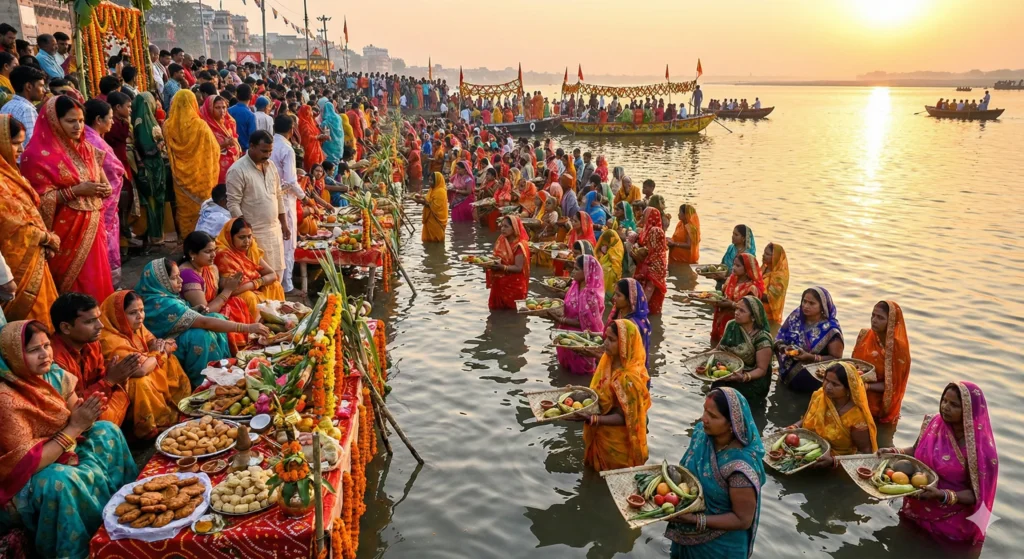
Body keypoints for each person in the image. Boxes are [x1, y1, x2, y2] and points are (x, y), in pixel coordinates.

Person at [0, 320, 139, 559]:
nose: (44, 354)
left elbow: (77, 414)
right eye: (33, 350)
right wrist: (75, 426)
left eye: (46, 345)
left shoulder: (54, 374)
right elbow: (26, 463)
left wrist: (87, 414)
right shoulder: (6, 397)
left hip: (64, 444)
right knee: (61, 480)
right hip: (27, 475)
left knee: (107, 431)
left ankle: (131, 507)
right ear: (13, 356)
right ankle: (82, 549)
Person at [20, 96, 114, 303]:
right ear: (54, 120)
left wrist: (104, 188)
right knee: (75, 290)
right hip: (64, 234)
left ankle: (100, 324)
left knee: (97, 277)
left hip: (93, 227)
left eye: (80, 120)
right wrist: (76, 191)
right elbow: (33, 203)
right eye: (71, 121)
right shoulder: (35, 156)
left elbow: (99, 178)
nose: (78, 126)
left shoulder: (86, 148)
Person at [893, 381, 998, 544]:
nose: (945, 407)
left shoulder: (980, 450)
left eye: (954, 405)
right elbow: (915, 449)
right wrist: (894, 452)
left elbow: (978, 494)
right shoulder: (934, 422)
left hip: (949, 524)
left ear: (970, 411)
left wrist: (943, 495)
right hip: (915, 508)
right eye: (944, 401)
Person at [666, 387, 764, 559]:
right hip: (685, 535)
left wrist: (696, 520)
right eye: (704, 411)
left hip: (720, 548)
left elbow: (743, 520)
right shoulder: (701, 434)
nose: (704, 419)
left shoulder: (740, 467)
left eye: (712, 416)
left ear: (733, 425)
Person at [134, 258, 265, 386]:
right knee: (201, 336)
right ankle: (203, 382)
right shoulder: (164, 302)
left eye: (179, 276)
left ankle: (222, 368)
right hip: (165, 346)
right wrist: (247, 327)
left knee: (217, 317)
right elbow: (204, 323)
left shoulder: (158, 295)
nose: (180, 281)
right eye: (174, 278)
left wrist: (193, 310)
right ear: (161, 282)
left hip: (176, 335)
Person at [96, 290, 192, 438]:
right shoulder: (109, 340)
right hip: (120, 385)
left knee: (169, 359)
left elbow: (152, 341)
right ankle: (149, 427)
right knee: (141, 382)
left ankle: (179, 407)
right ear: (118, 315)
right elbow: (140, 370)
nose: (140, 316)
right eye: (133, 312)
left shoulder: (135, 327)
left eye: (141, 310)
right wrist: (158, 353)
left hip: (144, 365)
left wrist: (159, 347)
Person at [48, 292, 141, 431]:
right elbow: (72, 408)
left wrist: (112, 377)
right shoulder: (53, 361)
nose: (100, 325)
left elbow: (100, 377)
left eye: (98, 318)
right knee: (104, 422)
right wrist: (109, 380)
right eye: (89, 321)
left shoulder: (92, 343)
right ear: (66, 327)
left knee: (129, 389)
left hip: (93, 399)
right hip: (71, 417)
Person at [0, 115, 59, 329]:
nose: (21, 149)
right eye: (15, 143)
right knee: (29, 323)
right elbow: (11, 224)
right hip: (16, 261)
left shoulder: (10, 172)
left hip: (34, 254)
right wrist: (46, 237)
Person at [582, 319, 651, 472]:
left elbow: (626, 416)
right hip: (600, 435)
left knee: (610, 480)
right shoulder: (608, 362)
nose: (605, 343)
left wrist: (593, 419)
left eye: (612, 340)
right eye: (606, 337)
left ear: (625, 345)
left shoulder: (628, 379)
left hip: (616, 446)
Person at [226, 131, 289, 287]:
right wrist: (246, 232)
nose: (267, 155)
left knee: (277, 276)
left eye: (270, 151)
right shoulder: (237, 170)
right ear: (252, 147)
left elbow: (278, 196)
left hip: (274, 232)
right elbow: (233, 204)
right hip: (254, 236)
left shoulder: (271, 166)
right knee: (260, 279)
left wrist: (285, 224)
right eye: (264, 151)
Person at [180, 231, 253, 350]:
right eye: (208, 251)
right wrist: (228, 290)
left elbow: (217, 293)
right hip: (196, 320)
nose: (214, 255)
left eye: (214, 250)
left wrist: (230, 283)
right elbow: (204, 312)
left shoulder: (211, 268)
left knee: (237, 302)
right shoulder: (188, 275)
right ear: (192, 253)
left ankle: (243, 348)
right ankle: (234, 350)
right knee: (227, 311)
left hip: (212, 310)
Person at [791, 362, 878, 462]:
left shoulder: (856, 416)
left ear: (848, 389)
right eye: (826, 380)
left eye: (835, 384)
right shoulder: (820, 395)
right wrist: (794, 427)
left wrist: (834, 462)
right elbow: (807, 418)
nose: (828, 386)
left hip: (837, 462)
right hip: (804, 451)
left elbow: (866, 452)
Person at [164, 90, 220, 237]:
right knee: (200, 210)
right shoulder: (201, 126)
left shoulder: (168, 126)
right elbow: (215, 150)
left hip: (180, 178)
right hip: (201, 179)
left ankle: (186, 239)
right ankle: (201, 240)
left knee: (184, 210)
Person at [83, 99, 126, 287]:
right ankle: (107, 285)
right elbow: (114, 169)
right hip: (103, 203)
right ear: (98, 120)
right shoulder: (94, 142)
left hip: (97, 203)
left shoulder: (88, 138)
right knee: (104, 244)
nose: (113, 122)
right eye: (110, 118)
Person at [213, 217, 286, 322]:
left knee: (275, 286)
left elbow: (272, 274)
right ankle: (254, 331)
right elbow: (232, 289)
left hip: (250, 286)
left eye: (249, 236)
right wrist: (256, 284)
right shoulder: (223, 254)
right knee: (249, 297)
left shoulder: (250, 249)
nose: (247, 241)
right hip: (232, 295)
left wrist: (256, 283)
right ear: (230, 237)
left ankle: (278, 322)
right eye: (241, 237)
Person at [774, 287, 844, 392]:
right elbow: (779, 338)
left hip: (813, 385)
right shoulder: (795, 317)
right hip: (785, 378)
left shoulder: (830, 329)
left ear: (822, 307)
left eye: (812, 303)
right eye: (804, 301)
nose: (806, 306)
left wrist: (810, 357)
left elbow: (836, 360)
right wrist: (784, 348)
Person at [852, 301, 911, 425]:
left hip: (878, 402)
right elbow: (854, 364)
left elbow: (894, 386)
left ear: (891, 322)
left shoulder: (898, 350)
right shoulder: (864, 335)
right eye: (873, 315)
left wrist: (867, 386)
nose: (874, 320)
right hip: (856, 390)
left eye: (880, 318)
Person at [547, 255, 605, 375]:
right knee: (565, 372)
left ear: (587, 272)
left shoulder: (590, 295)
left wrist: (562, 320)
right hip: (566, 336)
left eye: (576, 269)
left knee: (581, 374)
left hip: (580, 340)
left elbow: (587, 325)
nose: (572, 272)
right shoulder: (575, 286)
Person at [713, 296, 773, 402]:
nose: (736, 312)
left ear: (753, 317)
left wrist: (743, 377)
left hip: (750, 383)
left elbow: (762, 370)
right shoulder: (731, 325)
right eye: (736, 308)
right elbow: (718, 350)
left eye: (742, 311)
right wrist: (702, 359)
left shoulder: (762, 338)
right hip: (727, 373)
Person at [269, 119, 304, 293]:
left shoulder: (269, 144)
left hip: (269, 198)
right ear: (292, 129)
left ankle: (277, 283)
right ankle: (287, 286)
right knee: (288, 242)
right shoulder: (287, 149)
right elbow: (290, 181)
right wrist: (304, 196)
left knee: (275, 241)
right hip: (285, 200)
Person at [129, 92, 169, 245]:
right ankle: (156, 234)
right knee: (155, 200)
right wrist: (160, 146)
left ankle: (154, 234)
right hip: (152, 168)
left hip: (147, 166)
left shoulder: (138, 121)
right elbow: (148, 149)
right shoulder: (146, 123)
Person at [711, 253, 765, 346]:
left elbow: (751, 310)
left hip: (738, 325)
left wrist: (731, 304)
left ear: (747, 268)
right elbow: (723, 296)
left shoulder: (751, 288)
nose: (733, 267)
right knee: (717, 348)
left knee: (733, 349)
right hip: (722, 319)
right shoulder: (730, 280)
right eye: (734, 264)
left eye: (738, 266)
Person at [485, 216, 530, 310]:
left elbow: (518, 268)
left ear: (514, 228)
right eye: (501, 226)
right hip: (499, 283)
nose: (502, 229)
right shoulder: (501, 239)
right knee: (495, 315)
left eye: (506, 226)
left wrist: (502, 267)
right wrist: (488, 265)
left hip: (514, 286)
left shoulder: (520, 245)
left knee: (516, 315)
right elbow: (497, 257)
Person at [608, 278, 652, 371]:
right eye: (615, 293)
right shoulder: (619, 312)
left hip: (627, 371)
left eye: (618, 295)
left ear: (630, 300)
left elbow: (624, 354)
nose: (614, 298)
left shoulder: (634, 324)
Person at [0, 66, 46, 153]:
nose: (44, 90)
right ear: (28, 86)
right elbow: (33, 143)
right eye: (41, 86)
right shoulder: (27, 110)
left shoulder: (6, 106)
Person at [632, 207, 668, 315]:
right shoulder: (646, 230)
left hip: (652, 269)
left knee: (646, 304)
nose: (641, 217)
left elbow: (651, 250)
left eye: (644, 215)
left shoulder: (654, 231)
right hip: (646, 266)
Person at [200, 95, 242, 184]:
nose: (222, 111)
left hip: (232, 168)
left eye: (224, 107)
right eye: (217, 108)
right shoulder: (204, 126)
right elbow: (202, 150)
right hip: (213, 169)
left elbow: (235, 140)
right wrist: (223, 144)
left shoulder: (229, 122)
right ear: (210, 109)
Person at [415, 171, 449, 242]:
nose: (429, 182)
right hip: (429, 219)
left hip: (436, 220)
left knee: (436, 241)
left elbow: (434, 206)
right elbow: (428, 201)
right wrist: (421, 199)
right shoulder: (432, 189)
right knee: (428, 241)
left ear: (437, 181)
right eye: (429, 180)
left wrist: (421, 201)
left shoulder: (440, 192)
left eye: (431, 180)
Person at [760, 243, 789, 325]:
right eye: (764, 253)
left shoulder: (779, 277)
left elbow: (772, 299)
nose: (763, 255)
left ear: (775, 257)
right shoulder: (764, 268)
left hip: (768, 315)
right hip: (755, 306)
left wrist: (754, 292)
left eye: (767, 254)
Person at [595, 229, 625, 302]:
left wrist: (617, 276)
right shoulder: (613, 246)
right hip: (606, 272)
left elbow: (617, 264)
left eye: (607, 242)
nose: (606, 244)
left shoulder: (615, 249)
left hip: (611, 274)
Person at [228, 85, 256, 151]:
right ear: (251, 96)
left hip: (230, 149)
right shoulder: (250, 115)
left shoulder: (228, 111)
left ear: (236, 95)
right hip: (244, 150)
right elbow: (252, 136)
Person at [320, 101, 345, 166]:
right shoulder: (339, 118)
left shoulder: (326, 121)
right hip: (339, 143)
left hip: (329, 146)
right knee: (337, 162)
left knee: (329, 163)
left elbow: (324, 132)